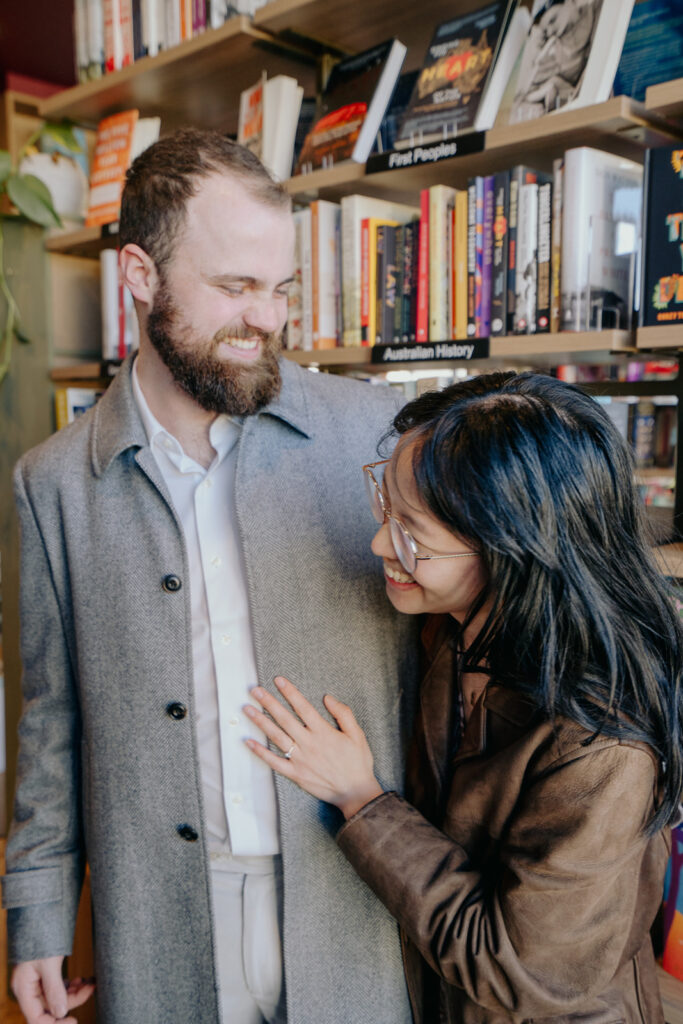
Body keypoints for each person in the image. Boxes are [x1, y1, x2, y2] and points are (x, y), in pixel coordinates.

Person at [1, 129, 419, 1024]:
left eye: (279, 289)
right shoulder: (51, 482)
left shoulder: (380, 438)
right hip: (157, 915)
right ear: (140, 276)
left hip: (353, 904)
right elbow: (50, 715)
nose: (266, 318)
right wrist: (34, 910)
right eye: (234, 287)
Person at [245, 370, 683, 1024]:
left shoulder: (603, 744)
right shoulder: (453, 627)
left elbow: (526, 973)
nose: (377, 544)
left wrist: (361, 800)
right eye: (383, 503)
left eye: (411, 531)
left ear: (512, 547)